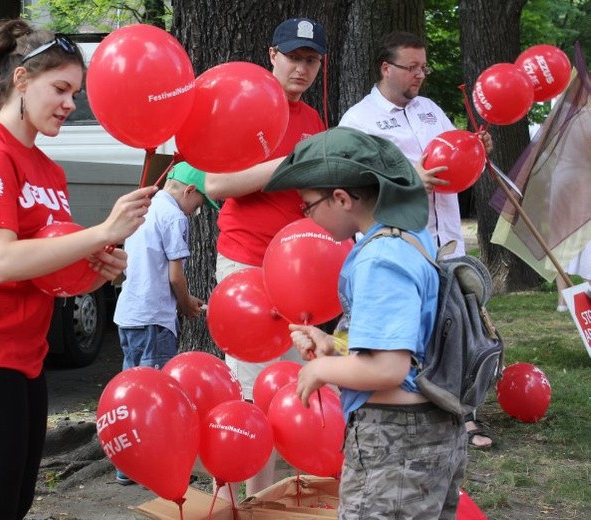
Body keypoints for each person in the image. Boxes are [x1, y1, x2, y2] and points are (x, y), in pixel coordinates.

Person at [0, 20, 156, 520]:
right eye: (59, 88)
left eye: (74, 93)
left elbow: (51, 270)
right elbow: (3, 261)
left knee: (14, 504)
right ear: (20, 80)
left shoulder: (48, 169)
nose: (69, 103)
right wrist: (102, 231)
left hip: (26, 356)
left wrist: (100, 269)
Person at [264, 126, 467, 519]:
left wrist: (322, 369)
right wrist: (335, 347)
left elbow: (390, 367)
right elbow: (409, 339)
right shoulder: (411, 238)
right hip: (431, 431)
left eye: (308, 204)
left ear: (341, 198)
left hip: (396, 439)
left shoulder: (379, 258)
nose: (305, 215)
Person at [339, 30, 493, 449]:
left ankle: (463, 414)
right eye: (411, 68)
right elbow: (352, 182)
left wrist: (476, 147)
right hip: (401, 248)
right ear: (386, 68)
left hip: (447, 239)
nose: (419, 76)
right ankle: (414, 409)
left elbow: (453, 155)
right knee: (414, 334)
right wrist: (409, 180)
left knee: (456, 328)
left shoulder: (429, 111)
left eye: (423, 67)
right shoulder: (359, 120)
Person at [205, 17, 329, 497]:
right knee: (251, 393)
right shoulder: (245, 105)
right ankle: (240, 503)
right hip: (247, 266)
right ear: (271, 55)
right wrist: (285, 165)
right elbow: (216, 184)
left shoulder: (313, 121)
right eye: (293, 57)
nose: (301, 68)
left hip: (299, 274)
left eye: (311, 60)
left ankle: (267, 500)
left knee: (291, 389)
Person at [112, 161, 218, 485]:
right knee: (157, 396)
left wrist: (186, 299)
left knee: (130, 394)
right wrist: (186, 305)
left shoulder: (145, 207)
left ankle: (126, 466)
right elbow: (174, 274)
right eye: (198, 205)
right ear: (188, 191)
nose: (195, 213)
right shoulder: (174, 216)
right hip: (154, 320)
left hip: (128, 315)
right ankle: (157, 467)